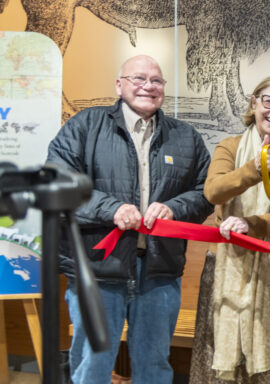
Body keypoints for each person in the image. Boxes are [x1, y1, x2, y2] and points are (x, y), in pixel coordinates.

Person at [47, 55, 212, 384]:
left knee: (154, 366)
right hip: (97, 268)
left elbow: (205, 192)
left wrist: (174, 208)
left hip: (160, 271)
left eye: (156, 81)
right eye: (138, 79)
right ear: (119, 85)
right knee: (92, 366)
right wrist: (111, 209)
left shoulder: (186, 138)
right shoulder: (84, 126)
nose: (148, 86)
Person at [190, 76, 270, 383]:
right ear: (254, 103)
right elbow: (214, 192)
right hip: (227, 263)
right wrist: (255, 169)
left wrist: (255, 225)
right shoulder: (230, 146)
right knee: (217, 349)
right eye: (269, 101)